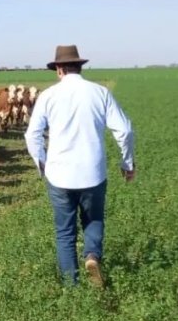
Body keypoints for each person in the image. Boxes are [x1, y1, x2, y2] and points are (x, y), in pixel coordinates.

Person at [24, 45, 135, 287]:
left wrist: (41, 163)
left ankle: (71, 287)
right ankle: (92, 256)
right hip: (93, 173)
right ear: (80, 67)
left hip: (59, 175)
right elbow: (124, 130)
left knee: (65, 232)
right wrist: (127, 162)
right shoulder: (99, 93)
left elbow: (32, 135)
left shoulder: (48, 96)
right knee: (93, 220)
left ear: (58, 69)